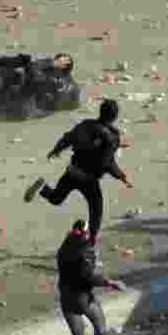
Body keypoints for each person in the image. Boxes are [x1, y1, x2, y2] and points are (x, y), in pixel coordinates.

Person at [24, 99, 132, 245]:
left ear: (100, 112)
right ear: (115, 116)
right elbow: (107, 163)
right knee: (96, 211)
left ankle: (43, 187)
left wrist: (56, 150)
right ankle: (92, 242)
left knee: (56, 198)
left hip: (72, 172)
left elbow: (69, 137)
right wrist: (122, 176)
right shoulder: (112, 137)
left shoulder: (86, 124)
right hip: (89, 180)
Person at [55, 219, 126, 335]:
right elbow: (88, 277)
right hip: (83, 298)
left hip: (66, 298)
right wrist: (110, 283)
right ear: (86, 234)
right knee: (100, 327)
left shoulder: (64, 247)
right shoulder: (84, 252)